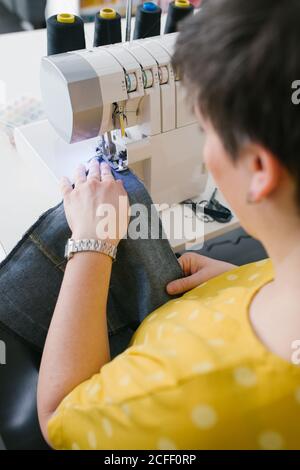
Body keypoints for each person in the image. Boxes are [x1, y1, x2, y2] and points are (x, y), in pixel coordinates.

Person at [11, 0, 300, 449]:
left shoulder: (176, 392)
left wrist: (92, 242)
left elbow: (61, 417)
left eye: (208, 131)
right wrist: (244, 283)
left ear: (260, 167)